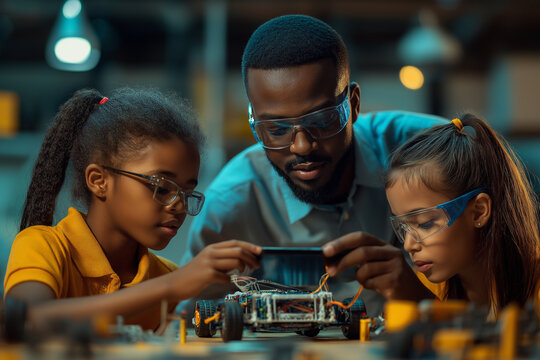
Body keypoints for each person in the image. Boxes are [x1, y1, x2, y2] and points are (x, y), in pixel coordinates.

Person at [181, 14, 446, 316]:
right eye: (277, 129)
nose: (302, 146)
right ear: (256, 125)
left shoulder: (429, 150)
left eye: (321, 121)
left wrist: (414, 294)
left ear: (354, 104)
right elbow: (189, 324)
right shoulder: (229, 204)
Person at [3, 88, 261, 331]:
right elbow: (25, 321)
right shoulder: (43, 246)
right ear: (99, 181)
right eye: (161, 187)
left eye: (187, 192)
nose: (180, 206)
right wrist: (170, 288)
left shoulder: (164, 276)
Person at [324, 114, 540, 317]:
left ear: (479, 211)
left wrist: (423, 305)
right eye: (402, 228)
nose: (409, 245)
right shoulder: (426, 287)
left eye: (425, 224)